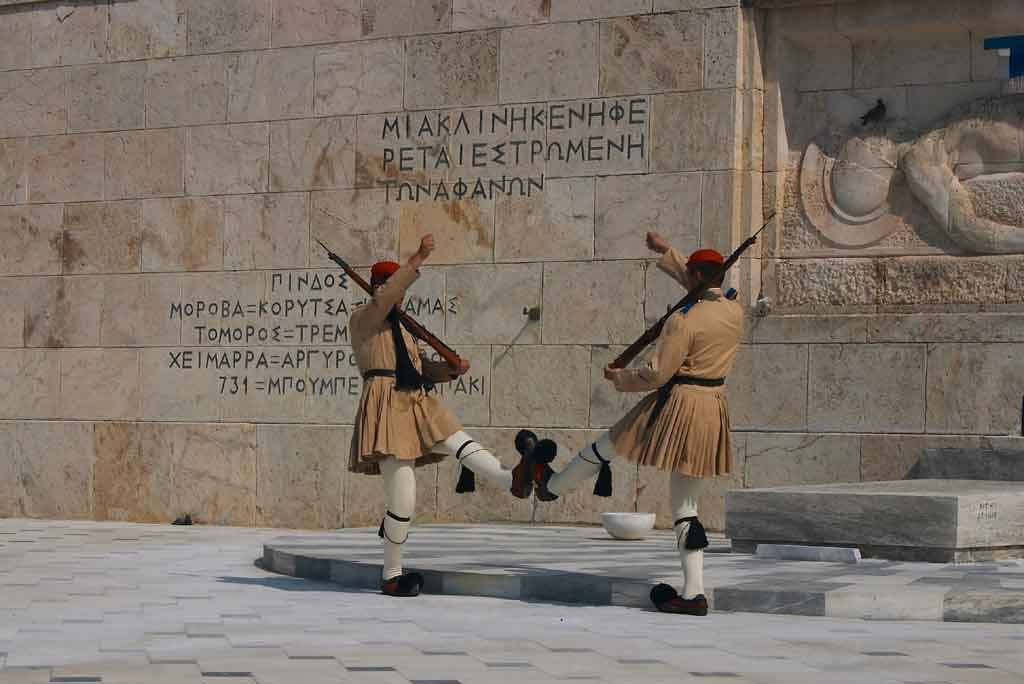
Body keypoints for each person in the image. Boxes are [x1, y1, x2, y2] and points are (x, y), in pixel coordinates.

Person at [511, 231, 745, 616]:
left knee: (609, 444)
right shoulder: (733, 312)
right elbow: (700, 286)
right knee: (687, 504)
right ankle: (694, 592)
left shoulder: (682, 322)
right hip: (713, 408)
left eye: (691, 274)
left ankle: (550, 485)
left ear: (699, 278)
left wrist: (618, 377)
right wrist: (667, 252)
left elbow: (656, 374)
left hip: (677, 405)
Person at [348, 234, 520, 598]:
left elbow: (421, 366)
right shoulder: (364, 319)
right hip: (387, 406)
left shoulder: (404, 330)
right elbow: (384, 299)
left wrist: (449, 369)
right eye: (393, 286)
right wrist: (419, 257)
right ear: (378, 287)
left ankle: (512, 481)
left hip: (417, 403)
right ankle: (392, 573)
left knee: (460, 441)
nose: (400, 296)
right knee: (403, 500)